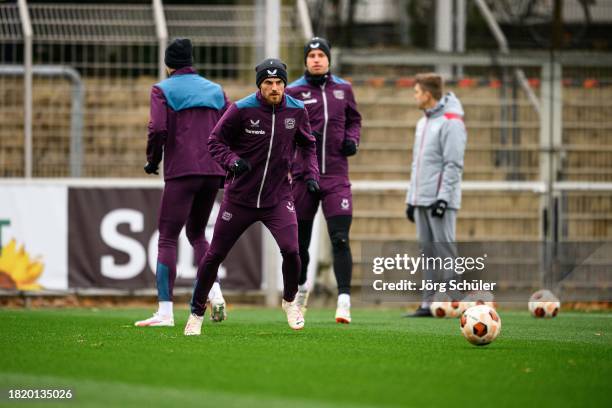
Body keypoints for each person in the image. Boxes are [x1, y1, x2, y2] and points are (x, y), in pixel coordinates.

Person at [184, 58, 320, 336]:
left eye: (279, 82)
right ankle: (196, 313)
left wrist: (311, 174)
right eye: (269, 83)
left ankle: (290, 301)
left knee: (293, 251)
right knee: (214, 255)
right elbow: (214, 141)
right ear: (260, 84)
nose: (275, 88)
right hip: (240, 198)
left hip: (278, 197)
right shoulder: (241, 110)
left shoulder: (297, 110)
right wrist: (232, 161)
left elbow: (308, 145)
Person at [135, 38, 230, 327]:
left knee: (167, 237)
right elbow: (230, 126)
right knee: (198, 234)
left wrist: (153, 160)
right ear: (192, 61)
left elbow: (158, 128)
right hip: (213, 172)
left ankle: (165, 312)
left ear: (167, 64)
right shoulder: (215, 90)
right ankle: (214, 292)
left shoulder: (162, 89)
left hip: (181, 172)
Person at [285, 37, 361, 323]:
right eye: (311, 55)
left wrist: (352, 140)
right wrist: (293, 162)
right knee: (299, 243)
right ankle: (300, 294)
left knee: (340, 239)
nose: (316, 59)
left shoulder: (344, 89)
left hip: (336, 176)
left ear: (329, 59)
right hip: (303, 178)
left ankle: (343, 302)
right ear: (305, 60)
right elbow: (284, 130)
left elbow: (355, 120)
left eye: (321, 55)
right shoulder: (292, 91)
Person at [404, 73, 467, 317]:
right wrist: (411, 198)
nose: (415, 97)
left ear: (428, 95)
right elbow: (416, 165)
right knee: (427, 252)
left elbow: (453, 164)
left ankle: (453, 302)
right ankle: (428, 304)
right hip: (421, 199)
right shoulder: (423, 122)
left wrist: (443, 198)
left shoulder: (452, 121)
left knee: (445, 250)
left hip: (440, 201)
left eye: (417, 92)